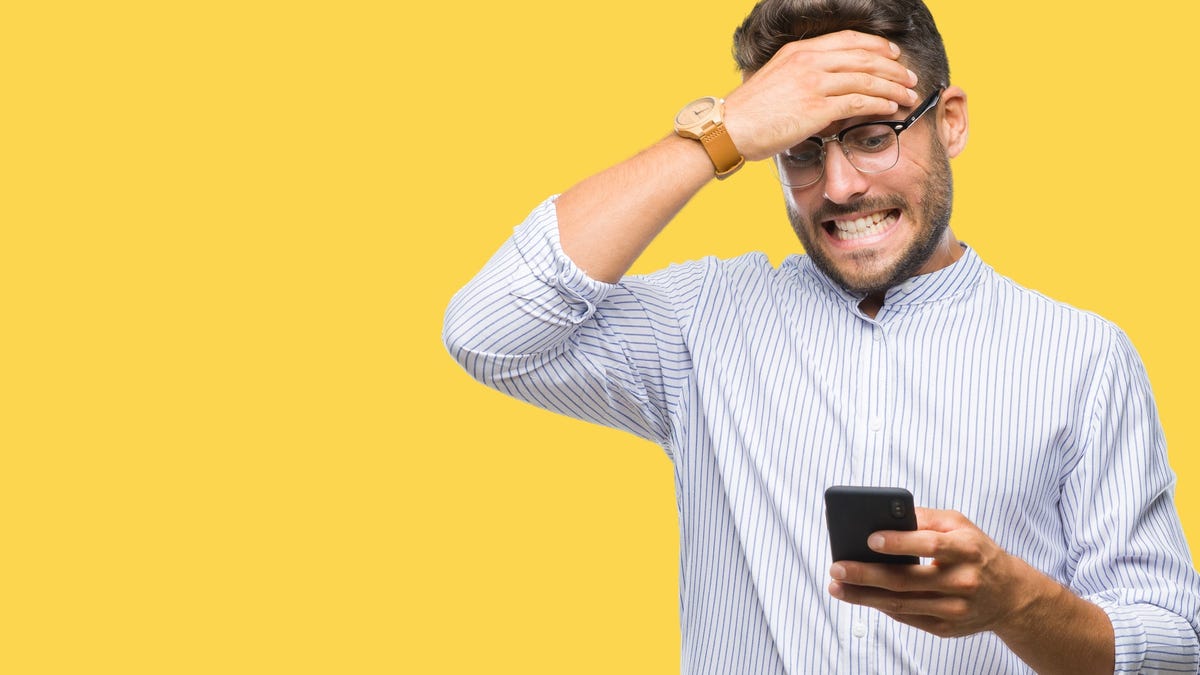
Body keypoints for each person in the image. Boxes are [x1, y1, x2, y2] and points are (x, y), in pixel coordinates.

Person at [442, 0, 1200, 672]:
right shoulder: (703, 322)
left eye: (873, 136)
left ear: (952, 120)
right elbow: (489, 331)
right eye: (802, 148)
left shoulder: (1083, 358)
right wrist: (718, 132)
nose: (838, 187)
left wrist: (1018, 605)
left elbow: (1172, 646)